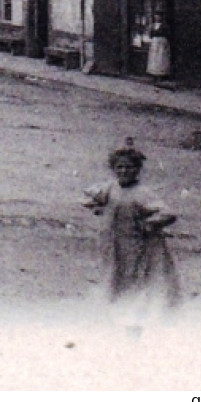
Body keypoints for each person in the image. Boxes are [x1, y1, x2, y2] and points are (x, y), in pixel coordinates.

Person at [83, 139, 180, 328]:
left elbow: (168, 214)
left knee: (134, 281)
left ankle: (133, 323)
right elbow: (89, 195)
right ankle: (113, 320)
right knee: (112, 277)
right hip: (112, 244)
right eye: (119, 167)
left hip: (135, 247)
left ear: (137, 169)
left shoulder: (142, 193)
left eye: (129, 167)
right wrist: (98, 207)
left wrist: (149, 224)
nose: (124, 171)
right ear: (113, 169)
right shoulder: (111, 187)